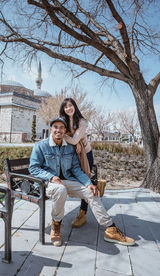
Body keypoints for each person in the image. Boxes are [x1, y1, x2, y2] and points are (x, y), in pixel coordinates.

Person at [29, 117, 135, 247]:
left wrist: (89, 183)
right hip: (46, 183)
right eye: (55, 127)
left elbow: (76, 169)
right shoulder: (41, 146)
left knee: (90, 192)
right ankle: (56, 225)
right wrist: (51, 177)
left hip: (67, 181)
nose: (58, 130)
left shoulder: (69, 148)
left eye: (62, 127)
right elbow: (33, 168)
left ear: (65, 131)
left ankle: (110, 229)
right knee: (60, 189)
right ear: (51, 129)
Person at [59, 97, 106, 227]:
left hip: (86, 155)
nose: (69, 108)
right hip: (72, 154)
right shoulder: (63, 121)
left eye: (70, 105)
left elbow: (74, 140)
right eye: (66, 106)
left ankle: (82, 214)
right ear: (63, 109)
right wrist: (73, 143)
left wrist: (66, 137)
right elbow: (64, 138)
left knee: (86, 180)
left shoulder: (82, 121)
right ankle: (58, 216)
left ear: (75, 106)